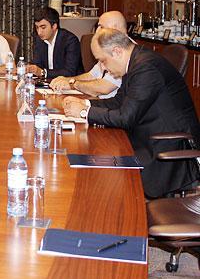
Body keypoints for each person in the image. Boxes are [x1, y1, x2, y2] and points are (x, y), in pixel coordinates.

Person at [63, 28, 200, 198]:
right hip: (148, 134)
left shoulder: (145, 67)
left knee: (106, 182)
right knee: (99, 163)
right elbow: (118, 102)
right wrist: (85, 103)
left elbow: (125, 117)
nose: (103, 67)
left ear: (117, 51)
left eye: (103, 61)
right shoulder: (136, 62)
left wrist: (85, 112)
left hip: (167, 145)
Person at [50, 11, 127, 98]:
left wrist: (73, 84)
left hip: (109, 104)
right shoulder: (109, 46)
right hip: (98, 101)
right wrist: (67, 80)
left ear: (115, 29)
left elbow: (104, 88)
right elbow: (91, 75)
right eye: (97, 26)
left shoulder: (122, 51)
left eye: (101, 27)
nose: (97, 31)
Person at [26, 6, 82, 79]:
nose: (39, 32)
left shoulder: (70, 41)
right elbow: (37, 63)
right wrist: (30, 68)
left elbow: (70, 72)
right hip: (47, 82)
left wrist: (43, 73)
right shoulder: (39, 40)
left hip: (70, 82)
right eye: (37, 27)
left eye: (43, 27)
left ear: (54, 26)